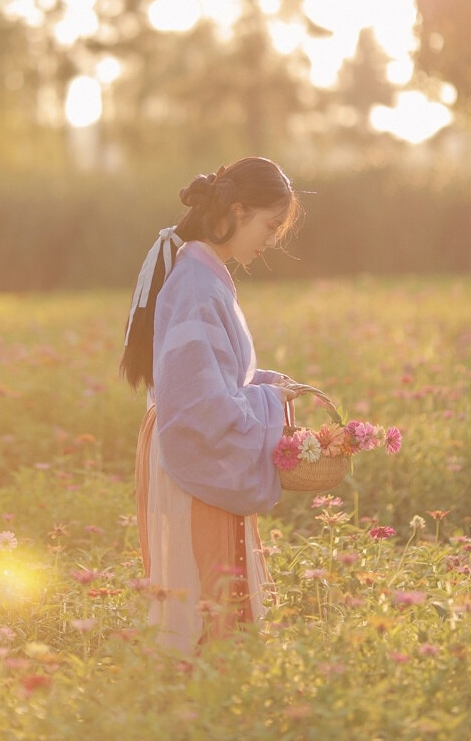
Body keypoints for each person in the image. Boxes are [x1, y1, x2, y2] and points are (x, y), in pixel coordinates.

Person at [121, 157, 305, 651]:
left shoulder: (204, 274)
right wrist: (266, 399)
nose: (269, 240)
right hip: (193, 447)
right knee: (205, 601)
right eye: (268, 225)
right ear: (237, 211)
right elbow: (201, 402)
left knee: (208, 597)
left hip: (188, 440)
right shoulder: (197, 283)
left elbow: (213, 375)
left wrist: (265, 385)